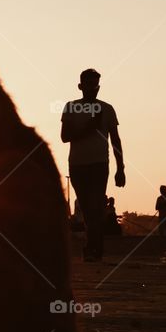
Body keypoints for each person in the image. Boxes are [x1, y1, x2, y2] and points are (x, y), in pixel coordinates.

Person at [61, 68, 125, 263]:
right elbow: (65, 137)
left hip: (99, 164)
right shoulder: (70, 107)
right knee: (88, 209)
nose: (93, 89)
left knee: (96, 207)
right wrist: (88, 128)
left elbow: (116, 140)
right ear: (81, 86)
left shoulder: (107, 109)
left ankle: (94, 248)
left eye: (96, 85)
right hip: (78, 165)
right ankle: (94, 247)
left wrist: (120, 168)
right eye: (89, 85)